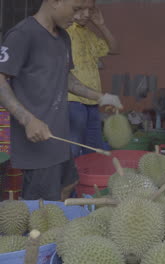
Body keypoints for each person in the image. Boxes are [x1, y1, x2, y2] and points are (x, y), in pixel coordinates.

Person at [0, 0, 121, 201]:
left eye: (85, 10)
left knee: (69, 184)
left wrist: (100, 97)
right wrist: (27, 119)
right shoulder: (23, 35)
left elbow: (66, 77)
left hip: (59, 137)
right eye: (76, 9)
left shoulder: (63, 36)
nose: (79, 16)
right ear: (55, 1)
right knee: (43, 209)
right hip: (39, 142)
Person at [67, 0, 120, 158]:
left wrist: (101, 25)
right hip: (71, 100)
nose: (86, 15)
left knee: (94, 151)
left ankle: (89, 182)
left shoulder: (89, 35)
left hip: (92, 102)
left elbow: (115, 49)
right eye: (81, 9)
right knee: (73, 150)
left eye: (90, 10)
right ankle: (71, 181)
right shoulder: (64, 33)